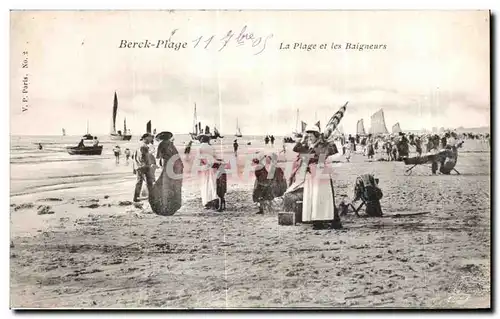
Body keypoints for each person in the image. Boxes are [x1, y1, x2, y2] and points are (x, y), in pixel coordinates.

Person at [285, 125, 342, 230]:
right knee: (313, 197)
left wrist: (308, 156)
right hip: (311, 174)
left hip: (320, 173)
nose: (309, 138)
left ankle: (324, 221)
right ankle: (317, 220)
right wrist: (302, 140)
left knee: (321, 197)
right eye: (308, 136)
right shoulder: (308, 145)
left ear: (316, 135)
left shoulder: (322, 145)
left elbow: (324, 155)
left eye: (311, 136)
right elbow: (296, 148)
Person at [148, 131, 184, 216]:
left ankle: (164, 208)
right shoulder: (172, 144)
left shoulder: (161, 144)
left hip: (168, 166)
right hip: (176, 166)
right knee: (173, 186)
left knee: (163, 186)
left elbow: (158, 157)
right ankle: (172, 206)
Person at [198, 134, 219, 209]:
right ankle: (213, 199)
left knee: (204, 185)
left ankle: (206, 202)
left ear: (201, 140)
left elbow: (198, 159)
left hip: (204, 167)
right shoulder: (211, 147)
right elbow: (216, 157)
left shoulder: (200, 147)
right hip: (212, 167)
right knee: (212, 183)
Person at [133, 133, 155, 202]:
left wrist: (134, 167)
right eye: (150, 138)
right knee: (149, 182)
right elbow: (143, 158)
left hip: (139, 166)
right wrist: (149, 165)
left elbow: (134, 157)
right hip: (143, 167)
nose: (151, 139)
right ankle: (151, 197)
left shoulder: (140, 145)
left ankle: (136, 198)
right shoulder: (143, 147)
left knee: (140, 182)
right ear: (145, 138)